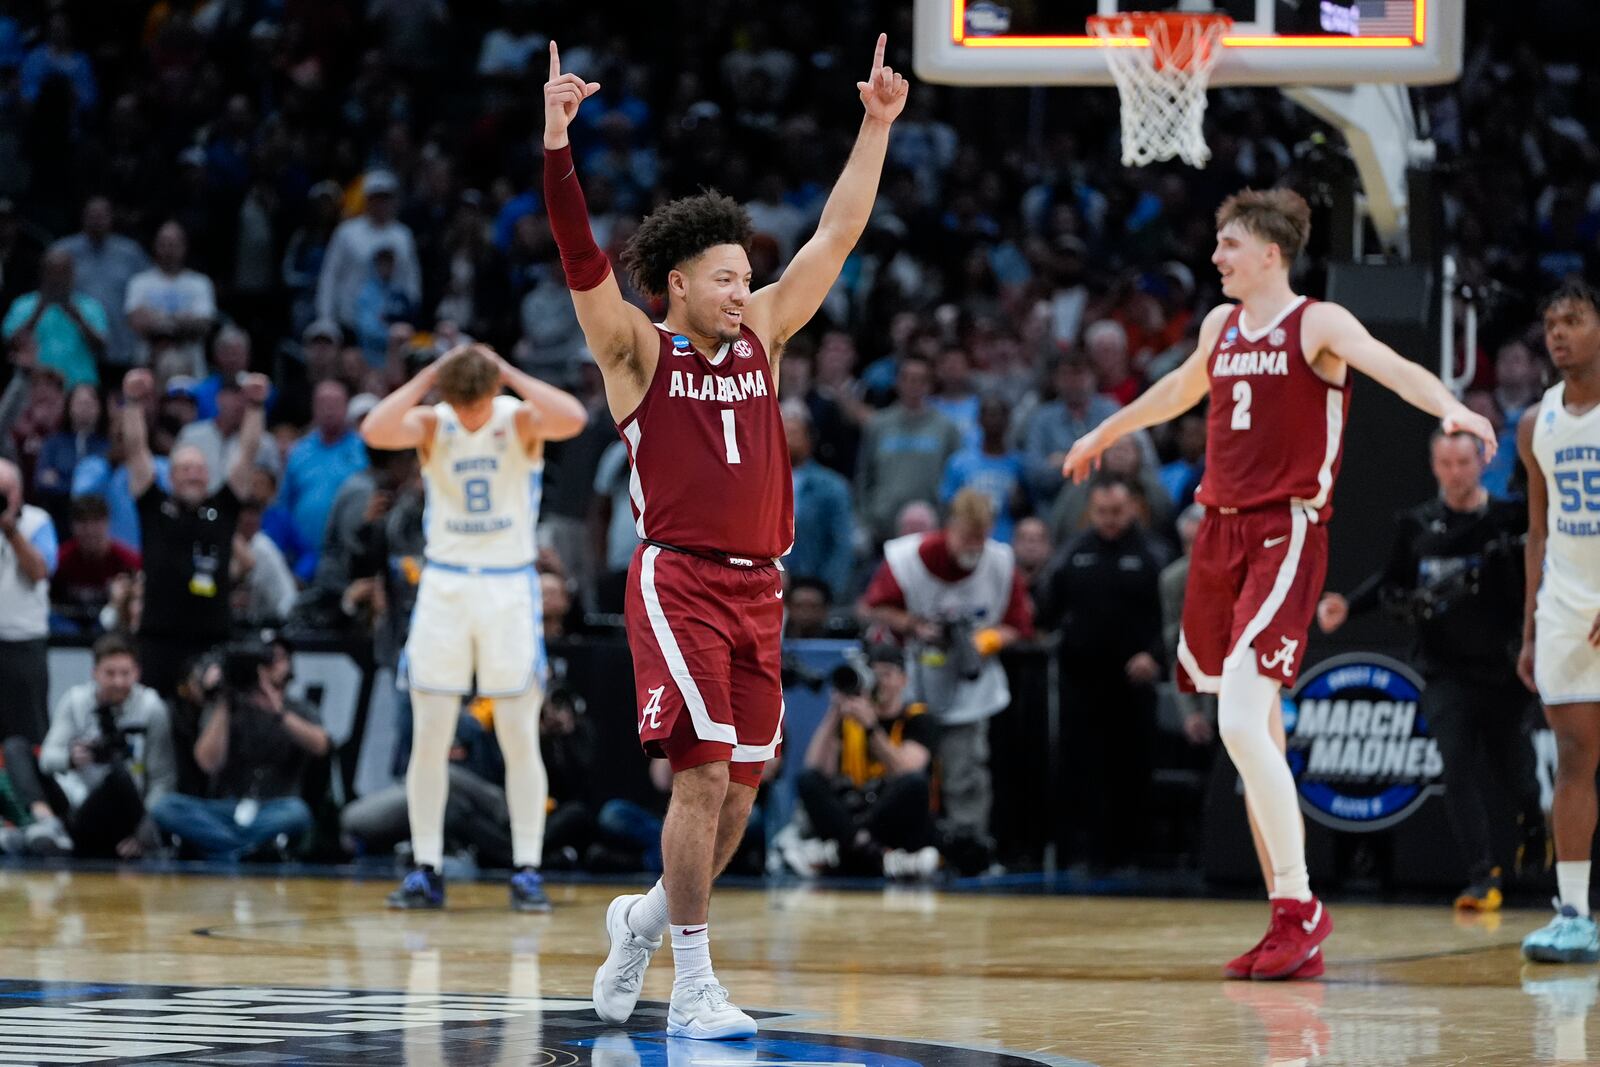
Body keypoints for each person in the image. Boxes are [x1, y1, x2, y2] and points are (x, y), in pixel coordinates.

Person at [543, 34, 907, 1038]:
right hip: (680, 580)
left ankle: (642, 919)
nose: (743, 287)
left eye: (747, 272)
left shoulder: (768, 337)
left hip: (763, 588)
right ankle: (692, 983)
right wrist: (557, 147)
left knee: (742, 795)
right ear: (676, 284)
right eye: (723, 276)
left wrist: (874, 126)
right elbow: (580, 263)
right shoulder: (635, 350)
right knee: (700, 775)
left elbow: (835, 235)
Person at [1062, 188, 1496, 981]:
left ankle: (1299, 904)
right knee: (1256, 733)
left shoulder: (1317, 323)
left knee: (1236, 722)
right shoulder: (1220, 327)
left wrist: (1451, 407)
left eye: (1228, 245)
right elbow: (1181, 389)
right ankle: (1287, 917)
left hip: (1284, 529)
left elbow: (1392, 366)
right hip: (1220, 534)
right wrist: (1106, 429)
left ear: (1269, 252)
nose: (1216, 257)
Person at [360, 342, 586, 913]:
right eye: (458, 403)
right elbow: (374, 427)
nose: (467, 414)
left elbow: (576, 417)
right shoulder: (436, 419)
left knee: (517, 732)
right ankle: (426, 866)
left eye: (474, 402)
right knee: (430, 734)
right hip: (446, 585)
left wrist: (508, 369)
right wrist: (430, 377)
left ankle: (527, 868)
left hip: (508, 586)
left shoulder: (520, 417)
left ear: (492, 392)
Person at [1317, 429, 1541, 913]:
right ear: (1434, 465)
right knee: (1454, 767)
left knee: (1515, 774)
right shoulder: (1416, 524)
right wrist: (1346, 607)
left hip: (1502, 671)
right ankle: (1483, 878)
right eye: (1445, 463)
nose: (1455, 473)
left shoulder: (1511, 518)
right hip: (1444, 671)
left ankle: (1534, 822)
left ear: (1482, 461)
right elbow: (1390, 582)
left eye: (1463, 462)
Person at [859, 489, 1032, 851]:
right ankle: (903, 846)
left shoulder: (1000, 562)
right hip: (913, 685)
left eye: (981, 537)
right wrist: (914, 625)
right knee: (906, 772)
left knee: (965, 775)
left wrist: (984, 641)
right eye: (968, 536)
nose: (974, 546)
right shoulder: (907, 558)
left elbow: (1017, 625)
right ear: (950, 527)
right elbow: (875, 607)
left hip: (970, 688)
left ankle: (969, 848)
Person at [1517, 281, 1600, 964]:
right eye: (1551, 322)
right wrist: (1528, 627)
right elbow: (1536, 533)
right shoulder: (1534, 421)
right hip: (1566, 610)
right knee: (1574, 759)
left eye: (1573, 319)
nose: (1559, 332)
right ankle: (1574, 912)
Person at [122, 367, 268, 698]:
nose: (192, 475)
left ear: (209, 474)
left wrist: (256, 407)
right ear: (170, 476)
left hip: (210, 639)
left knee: (208, 720)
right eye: (184, 469)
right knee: (156, 721)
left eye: (199, 469)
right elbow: (135, 450)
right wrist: (131, 402)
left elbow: (247, 453)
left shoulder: (223, 508)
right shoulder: (153, 505)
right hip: (158, 638)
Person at [149, 640, 329, 861]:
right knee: (165, 807)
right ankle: (245, 851)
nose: (269, 666)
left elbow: (321, 745)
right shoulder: (226, 707)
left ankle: (221, 847)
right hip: (224, 809)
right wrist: (224, 700)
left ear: (289, 665)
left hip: (273, 808)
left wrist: (277, 711)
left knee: (299, 812)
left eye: (276, 658)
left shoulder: (299, 709)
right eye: (263, 661)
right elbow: (207, 763)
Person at [0, 633, 173, 859]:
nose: (118, 682)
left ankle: (29, 838)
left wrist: (143, 830)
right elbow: (47, 758)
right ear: (95, 673)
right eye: (110, 673)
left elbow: (163, 780)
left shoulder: (152, 708)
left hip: (121, 808)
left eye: (125, 673)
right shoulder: (76, 700)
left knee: (120, 774)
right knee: (15, 746)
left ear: (137, 673)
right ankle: (46, 824)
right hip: (73, 805)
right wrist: (70, 759)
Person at [795, 642, 940, 879]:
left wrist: (872, 727)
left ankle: (842, 850)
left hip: (893, 817)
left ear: (903, 680)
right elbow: (816, 767)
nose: (879, 681)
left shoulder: (918, 718)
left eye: (887, 674)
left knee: (914, 784)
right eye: (873, 674)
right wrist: (834, 713)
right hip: (858, 810)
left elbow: (907, 770)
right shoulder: (849, 719)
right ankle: (873, 852)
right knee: (807, 780)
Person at [0, 456, 57, 743]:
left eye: (4, 491)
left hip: (24, 644)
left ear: (19, 492)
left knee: (29, 735)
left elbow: (39, 571)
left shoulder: (38, 522)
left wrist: (11, 531)